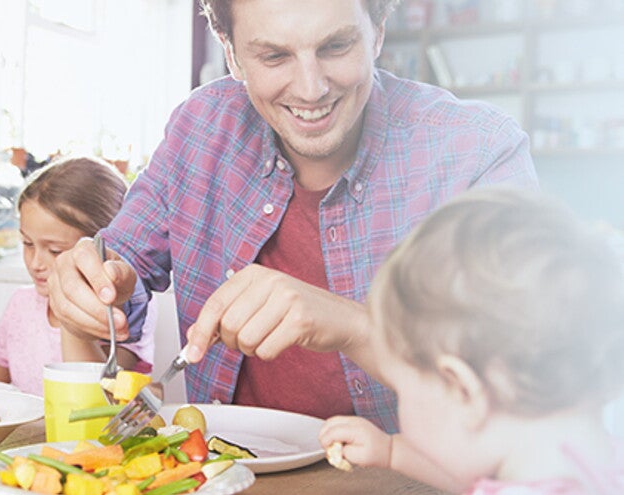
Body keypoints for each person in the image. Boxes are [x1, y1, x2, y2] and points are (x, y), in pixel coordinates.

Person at [47, 0, 538, 432]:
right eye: (274, 56)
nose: (310, 88)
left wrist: (356, 327)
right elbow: (122, 260)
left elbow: (526, 371)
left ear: (378, 32)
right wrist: (91, 280)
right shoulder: (199, 128)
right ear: (231, 52)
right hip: (226, 474)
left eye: (336, 46)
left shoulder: (478, 150)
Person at [318, 187, 624, 494]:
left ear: (463, 389)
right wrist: (392, 452)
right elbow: (477, 477)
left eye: (403, 390)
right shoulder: (598, 458)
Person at [0, 157, 156, 396]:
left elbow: (99, 396)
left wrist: (68, 314)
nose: (35, 263)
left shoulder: (123, 310)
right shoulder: (21, 306)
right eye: (27, 243)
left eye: (55, 251)